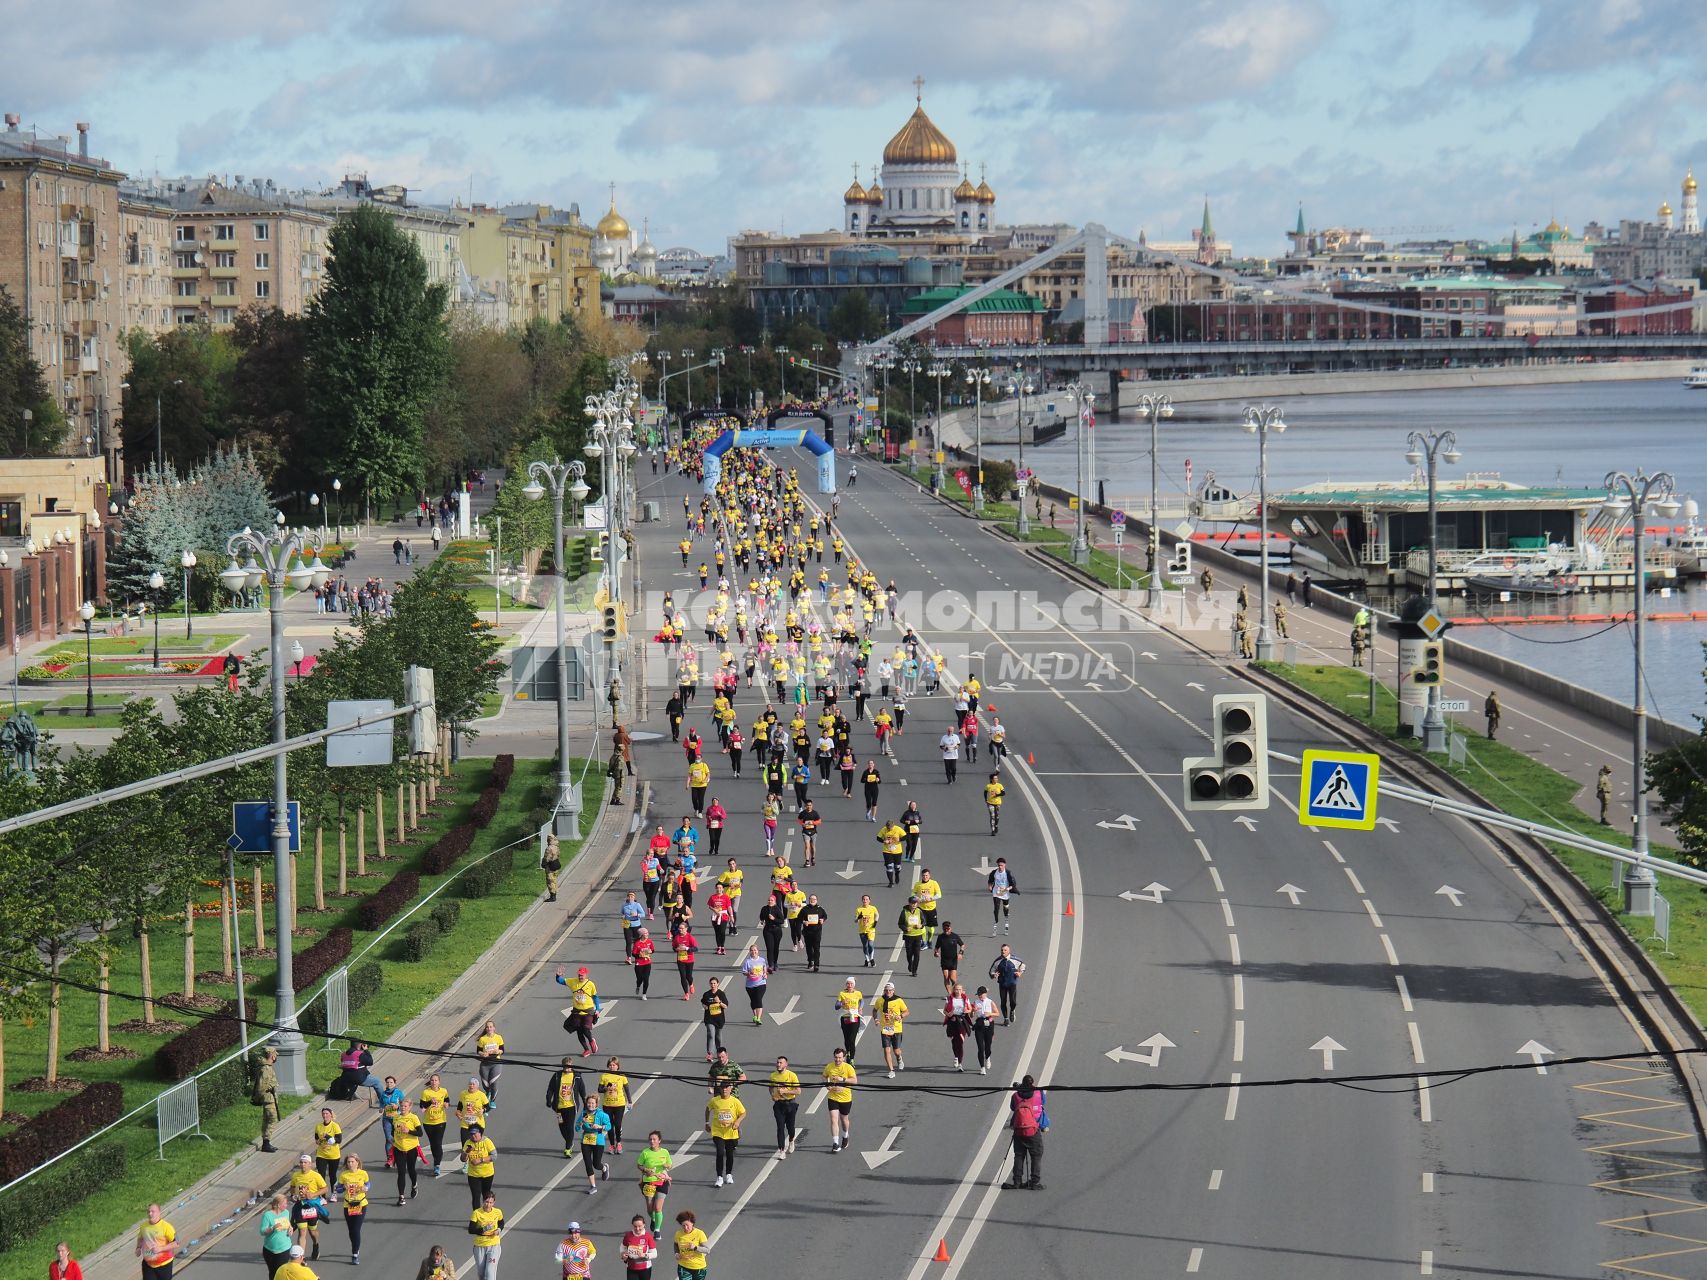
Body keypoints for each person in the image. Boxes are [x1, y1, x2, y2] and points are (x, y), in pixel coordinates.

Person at [1004, 1074, 1047, 1190]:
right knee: (1036, 1155)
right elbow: (1043, 1102)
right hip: (1033, 1129)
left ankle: (1017, 1182)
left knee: (1019, 1155)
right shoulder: (1038, 1093)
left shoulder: (1015, 1095)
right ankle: (1034, 1182)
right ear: (1032, 1083)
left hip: (1019, 1130)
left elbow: (1013, 1108)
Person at [706, 1080, 747, 1187]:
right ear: (720, 1089)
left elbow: (743, 1113)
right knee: (720, 1152)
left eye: (727, 1087)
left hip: (731, 1132)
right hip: (718, 1132)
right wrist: (707, 1122)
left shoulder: (735, 1101)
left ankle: (728, 1174)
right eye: (723, 1087)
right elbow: (708, 1109)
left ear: (730, 1088)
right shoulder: (715, 1100)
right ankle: (719, 1177)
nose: (724, 1089)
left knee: (729, 1154)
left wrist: (737, 1122)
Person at [555, 965, 602, 1056]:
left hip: (588, 1011)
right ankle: (586, 1050)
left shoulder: (590, 984)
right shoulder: (573, 981)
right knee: (579, 1031)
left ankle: (592, 1041)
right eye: (579, 975)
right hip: (577, 1011)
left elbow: (596, 997)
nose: (580, 977)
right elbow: (560, 981)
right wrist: (558, 975)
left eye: (582, 975)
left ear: (586, 975)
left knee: (585, 1028)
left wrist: (597, 1009)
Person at [546, 1056, 588, 1157]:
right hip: (559, 1107)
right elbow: (550, 1088)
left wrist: (585, 1103)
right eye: (565, 1067)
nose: (567, 1069)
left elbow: (582, 1091)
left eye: (569, 1067)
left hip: (571, 1106)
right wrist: (548, 1099)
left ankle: (568, 1148)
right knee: (561, 1126)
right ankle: (570, 1141)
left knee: (569, 1127)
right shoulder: (557, 1075)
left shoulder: (577, 1076)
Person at [636, 1131, 673, 1236]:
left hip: (662, 1181)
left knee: (658, 1208)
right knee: (649, 1207)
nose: (652, 1141)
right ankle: (653, 1218)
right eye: (650, 1139)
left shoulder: (665, 1152)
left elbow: (670, 1165)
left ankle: (657, 1230)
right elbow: (639, 1165)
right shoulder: (645, 1152)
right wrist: (645, 1169)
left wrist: (667, 1166)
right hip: (649, 1182)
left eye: (654, 1139)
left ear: (659, 1141)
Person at [574, 1093, 613, 1194]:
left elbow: (609, 1126)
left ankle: (604, 1168)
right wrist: (582, 1122)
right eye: (588, 1103)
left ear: (596, 1104)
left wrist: (599, 1127)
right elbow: (577, 1128)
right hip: (586, 1141)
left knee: (596, 1164)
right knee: (588, 1163)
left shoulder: (602, 1115)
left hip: (598, 1141)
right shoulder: (583, 1114)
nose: (590, 1105)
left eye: (592, 1103)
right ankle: (593, 1186)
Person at [823, 1048, 857, 1153]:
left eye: (840, 1058)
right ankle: (835, 1143)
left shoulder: (848, 1067)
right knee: (834, 1119)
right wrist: (827, 1084)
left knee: (844, 1120)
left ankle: (845, 1135)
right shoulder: (829, 1066)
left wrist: (842, 1079)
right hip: (833, 1097)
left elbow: (855, 1081)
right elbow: (824, 1076)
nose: (837, 1060)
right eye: (836, 1057)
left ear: (844, 1058)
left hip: (845, 1098)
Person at [337, 1156, 369, 1264]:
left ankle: (355, 1254)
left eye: (352, 1162)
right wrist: (343, 1188)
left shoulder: (363, 1173)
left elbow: (368, 1183)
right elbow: (338, 1189)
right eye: (348, 1162)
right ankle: (355, 1245)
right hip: (348, 1205)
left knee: (356, 1229)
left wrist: (366, 1188)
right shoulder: (344, 1175)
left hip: (361, 1204)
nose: (350, 1164)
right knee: (351, 1230)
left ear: (357, 1162)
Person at [768, 1055, 801, 1158]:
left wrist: (786, 1091)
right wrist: (773, 1095)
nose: (778, 1064)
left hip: (790, 1104)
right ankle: (782, 1150)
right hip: (778, 1105)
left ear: (786, 1064)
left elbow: (798, 1091)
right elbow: (770, 1087)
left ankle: (791, 1140)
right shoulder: (773, 1076)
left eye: (781, 1063)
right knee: (780, 1127)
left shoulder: (792, 1075)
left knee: (790, 1128)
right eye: (777, 1062)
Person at [874, 981, 908, 1078]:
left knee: (896, 1051)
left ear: (893, 991)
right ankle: (891, 1070)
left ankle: (899, 1058)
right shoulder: (880, 1000)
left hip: (896, 1028)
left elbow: (906, 1011)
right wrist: (876, 1019)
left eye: (890, 990)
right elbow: (874, 1010)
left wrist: (900, 1016)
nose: (888, 992)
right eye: (886, 990)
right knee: (886, 1050)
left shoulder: (898, 1000)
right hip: (885, 1028)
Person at [467, 1192, 504, 1280]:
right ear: (483, 1201)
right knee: (482, 1273)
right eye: (486, 1202)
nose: (488, 1205)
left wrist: (499, 1229)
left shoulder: (497, 1212)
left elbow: (501, 1222)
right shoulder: (477, 1213)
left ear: (494, 1203)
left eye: (491, 1202)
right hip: (480, 1246)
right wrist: (483, 1229)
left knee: (490, 1272)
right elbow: (471, 1229)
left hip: (494, 1245)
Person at [462, 1123, 497, 1211]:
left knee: (486, 1195)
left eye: (475, 1134)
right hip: (473, 1175)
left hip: (487, 1174)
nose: (473, 1136)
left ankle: (486, 1214)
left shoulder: (486, 1141)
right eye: (471, 1134)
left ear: (480, 1133)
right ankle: (476, 1217)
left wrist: (481, 1160)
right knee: (475, 1196)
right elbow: (463, 1159)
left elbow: (494, 1156)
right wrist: (466, 1153)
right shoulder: (468, 1143)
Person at [599, 1057, 631, 1153]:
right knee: (609, 1126)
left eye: (614, 1065)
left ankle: (619, 1143)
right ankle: (612, 1145)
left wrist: (630, 1101)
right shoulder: (604, 1076)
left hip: (619, 1104)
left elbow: (627, 1089)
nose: (612, 1067)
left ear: (618, 1066)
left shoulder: (622, 1076)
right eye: (610, 1065)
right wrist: (606, 1088)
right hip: (607, 1104)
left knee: (617, 1124)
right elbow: (599, 1090)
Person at [253, 1046, 281, 1152]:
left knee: (267, 1119)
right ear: (272, 1056)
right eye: (275, 1055)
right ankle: (266, 1143)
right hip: (268, 1098)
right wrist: (270, 1087)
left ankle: (266, 1142)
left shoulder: (267, 1067)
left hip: (269, 1098)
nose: (276, 1057)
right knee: (271, 1119)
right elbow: (262, 1087)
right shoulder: (266, 1069)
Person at [990, 944, 1026, 1025]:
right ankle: (1006, 1019)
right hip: (1002, 984)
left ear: (1009, 951)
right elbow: (991, 971)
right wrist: (994, 975)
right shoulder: (997, 961)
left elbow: (1023, 965)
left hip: (1012, 983)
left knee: (1013, 1002)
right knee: (1003, 1002)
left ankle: (1012, 1011)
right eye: (1002, 950)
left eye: (1005, 950)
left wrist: (1020, 972)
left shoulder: (1015, 959)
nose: (1003, 951)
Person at [260, 1193, 294, 1279]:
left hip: (284, 1249)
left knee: (281, 1273)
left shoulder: (286, 1212)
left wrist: (290, 1228)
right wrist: (272, 1228)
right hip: (270, 1250)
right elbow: (262, 1231)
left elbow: (287, 1223)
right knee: (273, 1272)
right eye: (285, 1203)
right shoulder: (268, 1215)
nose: (287, 1205)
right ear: (278, 1205)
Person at [312, 1107, 342, 1198]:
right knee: (321, 1175)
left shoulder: (335, 1126)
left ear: (331, 1115)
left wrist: (328, 1137)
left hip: (333, 1155)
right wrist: (319, 1141)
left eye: (327, 1114)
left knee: (332, 1175)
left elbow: (339, 1140)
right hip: (321, 1154)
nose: (325, 1115)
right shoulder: (318, 1126)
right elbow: (316, 1138)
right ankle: (322, 1196)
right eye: (323, 1114)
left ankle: (334, 1193)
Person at [943, 983, 973, 1071]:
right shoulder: (949, 999)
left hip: (962, 1020)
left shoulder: (965, 998)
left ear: (962, 990)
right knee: (954, 1041)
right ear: (954, 990)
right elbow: (944, 1010)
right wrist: (948, 1014)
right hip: (952, 1020)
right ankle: (956, 1057)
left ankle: (960, 1064)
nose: (958, 991)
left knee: (960, 1042)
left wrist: (966, 1010)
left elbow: (970, 1009)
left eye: (960, 989)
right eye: (956, 989)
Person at [971, 985, 1000, 1074]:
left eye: (981, 994)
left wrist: (990, 1013)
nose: (979, 996)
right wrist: (973, 1010)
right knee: (980, 1047)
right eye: (978, 994)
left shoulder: (990, 1002)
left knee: (988, 1046)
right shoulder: (975, 1002)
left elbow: (997, 1013)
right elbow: (971, 1016)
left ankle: (988, 1057)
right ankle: (982, 1067)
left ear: (985, 994)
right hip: (979, 1025)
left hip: (989, 1024)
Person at [833, 976, 864, 1060]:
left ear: (854, 985)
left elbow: (862, 1001)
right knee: (846, 1039)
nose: (849, 985)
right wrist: (842, 1003)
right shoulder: (842, 993)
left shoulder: (858, 993)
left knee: (852, 1040)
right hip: (845, 1017)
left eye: (851, 984)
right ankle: (848, 1052)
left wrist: (860, 1008)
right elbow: (836, 1006)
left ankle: (852, 1059)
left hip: (855, 1017)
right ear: (846, 984)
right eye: (848, 984)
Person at [475, 1020, 505, 1107]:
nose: (489, 1028)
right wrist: (482, 1054)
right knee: (485, 1084)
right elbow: (478, 1051)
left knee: (493, 1082)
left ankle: (492, 1101)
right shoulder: (482, 1039)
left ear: (494, 1028)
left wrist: (498, 1051)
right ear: (486, 1029)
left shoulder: (498, 1037)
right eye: (487, 1027)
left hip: (496, 1063)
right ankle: (488, 1092)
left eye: (491, 1027)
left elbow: (502, 1050)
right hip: (485, 1064)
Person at [673, 1211, 709, 1278]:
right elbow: (675, 1244)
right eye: (683, 1225)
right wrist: (676, 1253)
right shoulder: (678, 1234)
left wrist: (695, 1247)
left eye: (687, 1225)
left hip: (699, 1268)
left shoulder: (699, 1233)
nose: (685, 1228)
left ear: (692, 1223)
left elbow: (707, 1250)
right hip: (684, 1267)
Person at [621, 1215, 658, 1280]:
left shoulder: (648, 1236)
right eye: (635, 1226)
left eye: (639, 1226)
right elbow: (622, 1247)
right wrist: (623, 1254)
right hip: (631, 1268)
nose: (637, 1228)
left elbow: (655, 1254)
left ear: (644, 1225)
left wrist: (645, 1255)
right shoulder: (628, 1236)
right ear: (632, 1225)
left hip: (645, 1269)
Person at [740, 942, 770, 1022]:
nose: (754, 952)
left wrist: (765, 974)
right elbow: (744, 972)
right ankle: (755, 1016)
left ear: (758, 951)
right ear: (750, 952)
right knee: (753, 1001)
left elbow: (764, 968)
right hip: (750, 985)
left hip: (761, 983)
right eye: (752, 950)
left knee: (758, 999)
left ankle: (759, 1018)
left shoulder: (762, 960)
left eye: (755, 950)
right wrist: (749, 974)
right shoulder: (747, 961)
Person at [897, 896, 926, 977]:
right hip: (908, 936)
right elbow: (900, 924)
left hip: (917, 936)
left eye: (915, 903)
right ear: (909, 903)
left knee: (917, 954)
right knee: (909, 953)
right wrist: (905, 928)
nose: (914, 904)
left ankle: (914, 970)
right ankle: (910, 963)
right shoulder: (904, 912)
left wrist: (921, 925)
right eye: (912, 903)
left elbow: (924, 922)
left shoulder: (919, 911)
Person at [700, 977, 729, 1060]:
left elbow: (726, 1006)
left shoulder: (721, 994)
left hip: (719, 1019)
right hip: (709, 1019)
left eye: (714, 983)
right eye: (711, 983)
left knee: (718, 1037)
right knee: (711, 1035)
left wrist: (719, 1002)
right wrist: (704, 1006)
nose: (713, 985)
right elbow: (703, 1002)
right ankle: (710, 1054)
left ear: (718, 984)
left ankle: (719, 1052)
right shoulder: (706, 994)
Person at [799, 893, 829, 971]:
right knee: (809, 948)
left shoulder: (820, 909)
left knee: (816, 948)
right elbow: (799, 918)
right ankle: (810, 961)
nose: (812, 900)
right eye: (811, 899)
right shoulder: (805, 909)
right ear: (809, 900)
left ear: (816, 900)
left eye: (814, 899)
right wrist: (804, 921)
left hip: (817, 931)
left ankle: (816, 964)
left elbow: (825, 916)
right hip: (807, 931)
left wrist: (823, 920)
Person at [934, 921, 965, 995]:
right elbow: (936, 947)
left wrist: (960, 953)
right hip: (944, 960)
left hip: (953, 960)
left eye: (948, 928)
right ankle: (950, 994)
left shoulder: (955, 936)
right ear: (943, 929)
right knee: (946, 977)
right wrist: (936, 953)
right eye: (945, 929)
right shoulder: (940, 937)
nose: (946, 930)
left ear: (950, 928)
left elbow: (962, 945)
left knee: (953, 979)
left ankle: (958, 990)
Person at [913, 867, 943, 942]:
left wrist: (931, 898)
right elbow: (913, 893)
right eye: (923, 875)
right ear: (921, 876)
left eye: (926, 875)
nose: (925, 877)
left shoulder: (934, 883)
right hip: (921, 908)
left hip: (931, 908)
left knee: (930, 927)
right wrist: (917, 898)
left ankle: (929, 940)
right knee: (921, 926)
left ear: (929, 876)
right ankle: (923, 941)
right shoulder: (918, 884)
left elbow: (939, 895)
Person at [988, 857, 1017, 935]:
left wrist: (1007, 889)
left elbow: (1013, 885)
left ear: (1004, 865)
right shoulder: (994, 872)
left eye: (1001, 865)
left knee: (1005, 907)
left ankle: (1006, 918)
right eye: (999, 865)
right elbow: (990, 881)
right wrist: (990, 886)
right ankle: (996, 923)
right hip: (996, 892)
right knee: (996, 908)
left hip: (1004, 892)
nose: (1000, 867)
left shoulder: (1008, 873)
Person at [853, 894, 879, 967]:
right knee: (865, 945)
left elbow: (877, 915)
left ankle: (872, 959)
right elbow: (855, 921)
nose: (865, 901)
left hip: (871, 930)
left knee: (870, 944)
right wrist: (858, 918)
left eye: (867, 899)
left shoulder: (873, 908)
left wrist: (875, 922)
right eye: (864, 899)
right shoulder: (858, 909)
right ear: (862, 900)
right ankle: (867, 960)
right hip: (862, 930)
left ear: (869, 901)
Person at [631, 926, 655, 998]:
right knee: (640, 978)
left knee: (646, 979)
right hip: (639, 964)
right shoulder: (637, 943)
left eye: (647, 933)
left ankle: (644, 994)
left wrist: (650, 951)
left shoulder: (650, 942)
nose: (647, 934)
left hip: (647, 963)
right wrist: (640, 955)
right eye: (645, 933)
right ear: (641, 935)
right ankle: (638, 986)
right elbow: (633, 954)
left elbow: (653, 950)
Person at [541, 834, 563, 902]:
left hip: (550, 867)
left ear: (549, 840)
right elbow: (558, 854)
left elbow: (546, 859)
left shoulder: (549, 848)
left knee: (550, 881)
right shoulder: (556, 846)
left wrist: (543, 864)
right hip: (556, 865)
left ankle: (552, 896)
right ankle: (555, 893)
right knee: (554, 880)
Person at [983, 772, 1005, 836]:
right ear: (991, 779)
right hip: (990, 803)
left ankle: (996, 825)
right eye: (995, 778)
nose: (996, 779)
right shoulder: (988, 786)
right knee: (992, 816)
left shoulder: (999, 785)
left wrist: (997, 795)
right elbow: (985, 792)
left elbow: (1003, 793)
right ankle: (992, 830)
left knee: (997, 817)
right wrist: (986, 800)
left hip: (998, 803)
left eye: (997, 778)